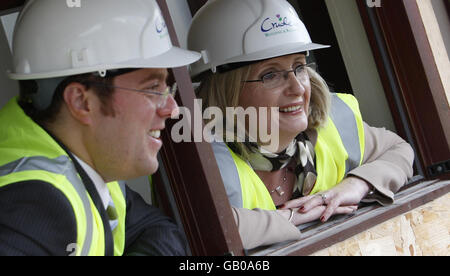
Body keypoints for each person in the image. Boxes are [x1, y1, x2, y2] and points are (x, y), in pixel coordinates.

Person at [187, 0, 414, 250]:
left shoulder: (334, 124)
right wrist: (294, 217)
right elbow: (202, 229)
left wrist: (358, 184)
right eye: (270, 75)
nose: (297, 88)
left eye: (299, 67)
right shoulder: (201, 156)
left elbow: (400, 150)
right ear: (226, 91)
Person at [0, 0, 201, 256]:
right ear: (82, 102)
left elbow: (157, 228)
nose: (171, 109)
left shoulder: (86, 162)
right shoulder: (30, 206)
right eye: (152, 89)